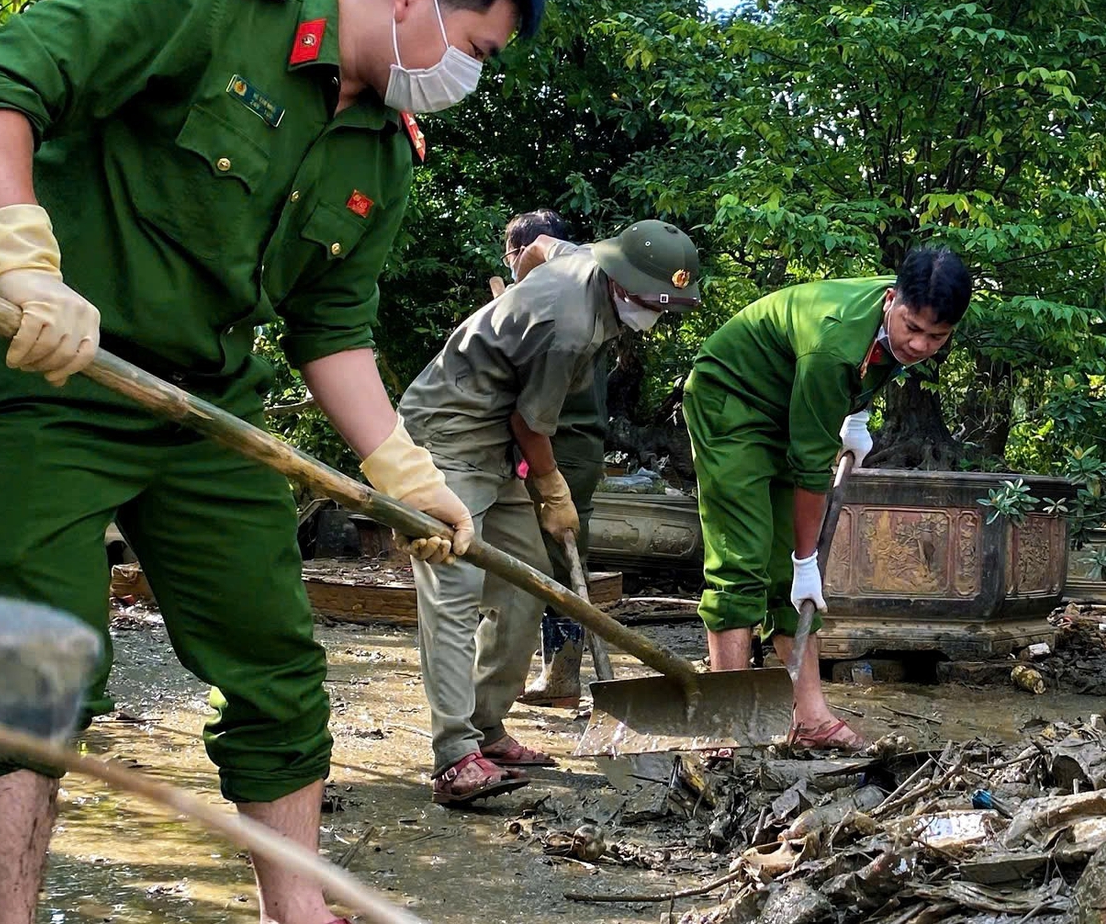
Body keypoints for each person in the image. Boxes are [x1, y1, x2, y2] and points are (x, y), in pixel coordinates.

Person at [0, 0, 544, 924]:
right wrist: (22, 262)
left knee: (278, 667)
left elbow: (330, 325)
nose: (467, 75)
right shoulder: (200, 2)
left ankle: (293, 910)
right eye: (475, 47)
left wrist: (403, 468)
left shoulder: (384, 152)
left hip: (205, 413)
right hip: (52, 379)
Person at [396, 220, 699, 805]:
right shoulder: (569, 328)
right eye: (650, 305)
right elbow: (532, 425)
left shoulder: (584, 259)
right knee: (455, 585)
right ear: (621, 284)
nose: (655, 317)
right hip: (451, 431)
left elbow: (537, 247)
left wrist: (517, 290)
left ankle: (486, 726)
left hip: (500, 436)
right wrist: (553, 490)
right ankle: (456, 756)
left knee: (524, 581)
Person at [683, 248, 971, 751]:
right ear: (890, 300)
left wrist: (855, 413)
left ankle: (810, 717)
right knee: (742, 557)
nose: (922, 344)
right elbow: (810, 470)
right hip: (732, 400)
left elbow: (869, 369)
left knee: (783, 577)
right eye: (913, 329)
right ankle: (724, 726)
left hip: (788, 400)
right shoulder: (834, 346)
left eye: (937, 337)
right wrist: (805, 559)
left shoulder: (912, 308)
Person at [482, 210, 612, 709]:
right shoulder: (583, 297)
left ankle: (562, 676)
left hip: (558, 449)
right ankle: (559, 672)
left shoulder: (553, 307)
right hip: (573, 447)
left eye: (515, 256)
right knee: (563, 556)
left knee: (555, 561)